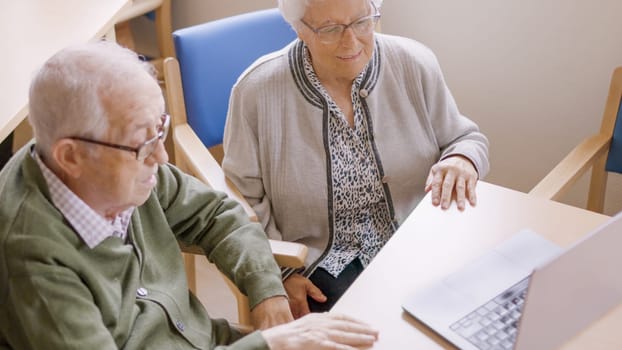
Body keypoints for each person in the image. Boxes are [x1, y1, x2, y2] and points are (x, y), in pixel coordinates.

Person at [0, 41, 378, 349]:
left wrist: (267, 293)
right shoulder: (34, 259)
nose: (162, 157)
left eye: (159, 130)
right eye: (143, 144)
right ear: (71, 156)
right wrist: (271, 344)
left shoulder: (114, 162)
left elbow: (218, 215)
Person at [222, 0, 490, 318]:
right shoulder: (256, 91)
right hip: (320, 267)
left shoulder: (414, 63)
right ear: (300, 29)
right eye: (331, 29)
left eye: (362, 22)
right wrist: (279, 275)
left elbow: (466, 139)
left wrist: (462, 159)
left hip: (418, 243)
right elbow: (242, 203)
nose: (351, 42)